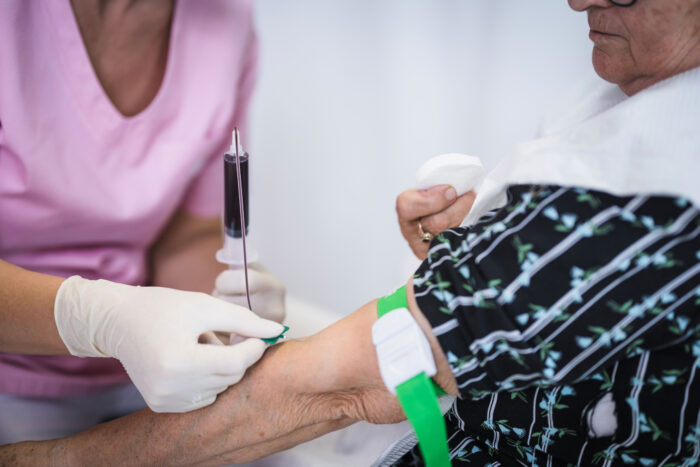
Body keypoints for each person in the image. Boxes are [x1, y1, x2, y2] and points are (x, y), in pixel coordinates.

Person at [2, 0, 699, 465]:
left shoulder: (221, 28)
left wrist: (218, 306)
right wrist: (93, 316)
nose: (578, 2)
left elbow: (355, 373)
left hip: (138, 374)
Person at [0, 0, 287, 443]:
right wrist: (98, 320)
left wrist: (224, 308)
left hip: (148, 373)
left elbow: (189, 233)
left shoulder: (228, 20)